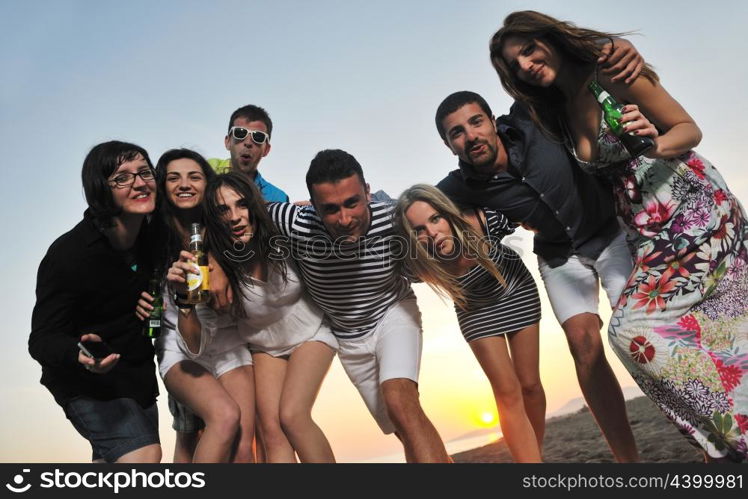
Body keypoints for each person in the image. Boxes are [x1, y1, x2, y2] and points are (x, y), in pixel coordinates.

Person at [490, 10, 748, 461]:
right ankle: (727, 439)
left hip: (692, 209)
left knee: (635, 328)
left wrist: (655, 143)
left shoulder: (610, 67)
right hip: (646, 231)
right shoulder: (555, 111)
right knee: (645, 334)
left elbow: (688, 129)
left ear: (549, 38)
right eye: (516, 65)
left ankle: (728, 442)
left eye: (528, 49)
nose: (526, 64)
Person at [267, 149, 450, 463]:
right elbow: (234, 216)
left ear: (367, 191)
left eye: (352, 202)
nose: (344, 219)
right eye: (330, 209)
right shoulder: (294, 222)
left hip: (392, 310)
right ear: (312, 206)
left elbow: (447, 222)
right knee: (403, 429)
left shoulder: (394, 218)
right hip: (347, 337)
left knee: (400, 400)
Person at [169, 172, 338, 462]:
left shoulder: (282, 229)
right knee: (270, 430)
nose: (235, 216)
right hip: (264, 345)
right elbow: (195, 345)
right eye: (223, 210)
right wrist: (184, 300)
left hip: (311, 331)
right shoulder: (214, 267)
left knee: (292, 416)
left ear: (255, 205)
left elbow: (330, 217)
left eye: (242, 204)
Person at [29, 141, 162, 463]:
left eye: (145, 172)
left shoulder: (158, 236)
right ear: (100, 190)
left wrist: (159, 311)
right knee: (143, 456)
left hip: (137, 377)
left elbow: (156, 313)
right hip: (83, 381)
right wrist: (81, 354)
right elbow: (41, 339)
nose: (140, 183)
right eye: (122, 178)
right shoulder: (69, 255)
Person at [393, 184, 545, 462]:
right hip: (475, 311)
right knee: (507, 392)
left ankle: (535, 455)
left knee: (530, 385)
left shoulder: (483, 220)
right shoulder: (417, 263)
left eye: (435, 219)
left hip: (515, 290)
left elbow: (527, 209)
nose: (432, 233)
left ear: (447, 214)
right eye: (419, 230)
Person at [136, 149, 256, 463]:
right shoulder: (150, 236)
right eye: (173, 178)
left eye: (194, 176)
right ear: (162, 186)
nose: (184, 184)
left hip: (229, 342)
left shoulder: (225, 224)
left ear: (208, 184)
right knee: (224, 417)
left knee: (244, 445)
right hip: (180, 347)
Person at [208, 104, 289, 202]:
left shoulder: (278, 198)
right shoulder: (206, 170)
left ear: (266, 149)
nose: (248, 143)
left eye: (258, 137)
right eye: (240, 133)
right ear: (228, 142)